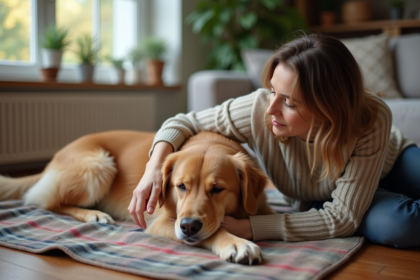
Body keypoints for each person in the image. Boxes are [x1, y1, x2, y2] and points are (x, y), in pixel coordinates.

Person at [128, 33, 420, 248]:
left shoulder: (371, 116)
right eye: (272, 91)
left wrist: (251, 228)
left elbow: (343, 218)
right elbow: (182, 122)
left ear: (327, 109)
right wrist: (154, 167)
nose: (271, 110)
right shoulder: (259, 111)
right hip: (318, 198)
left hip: (392, 162)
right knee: (404, 225)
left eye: (290, 103)